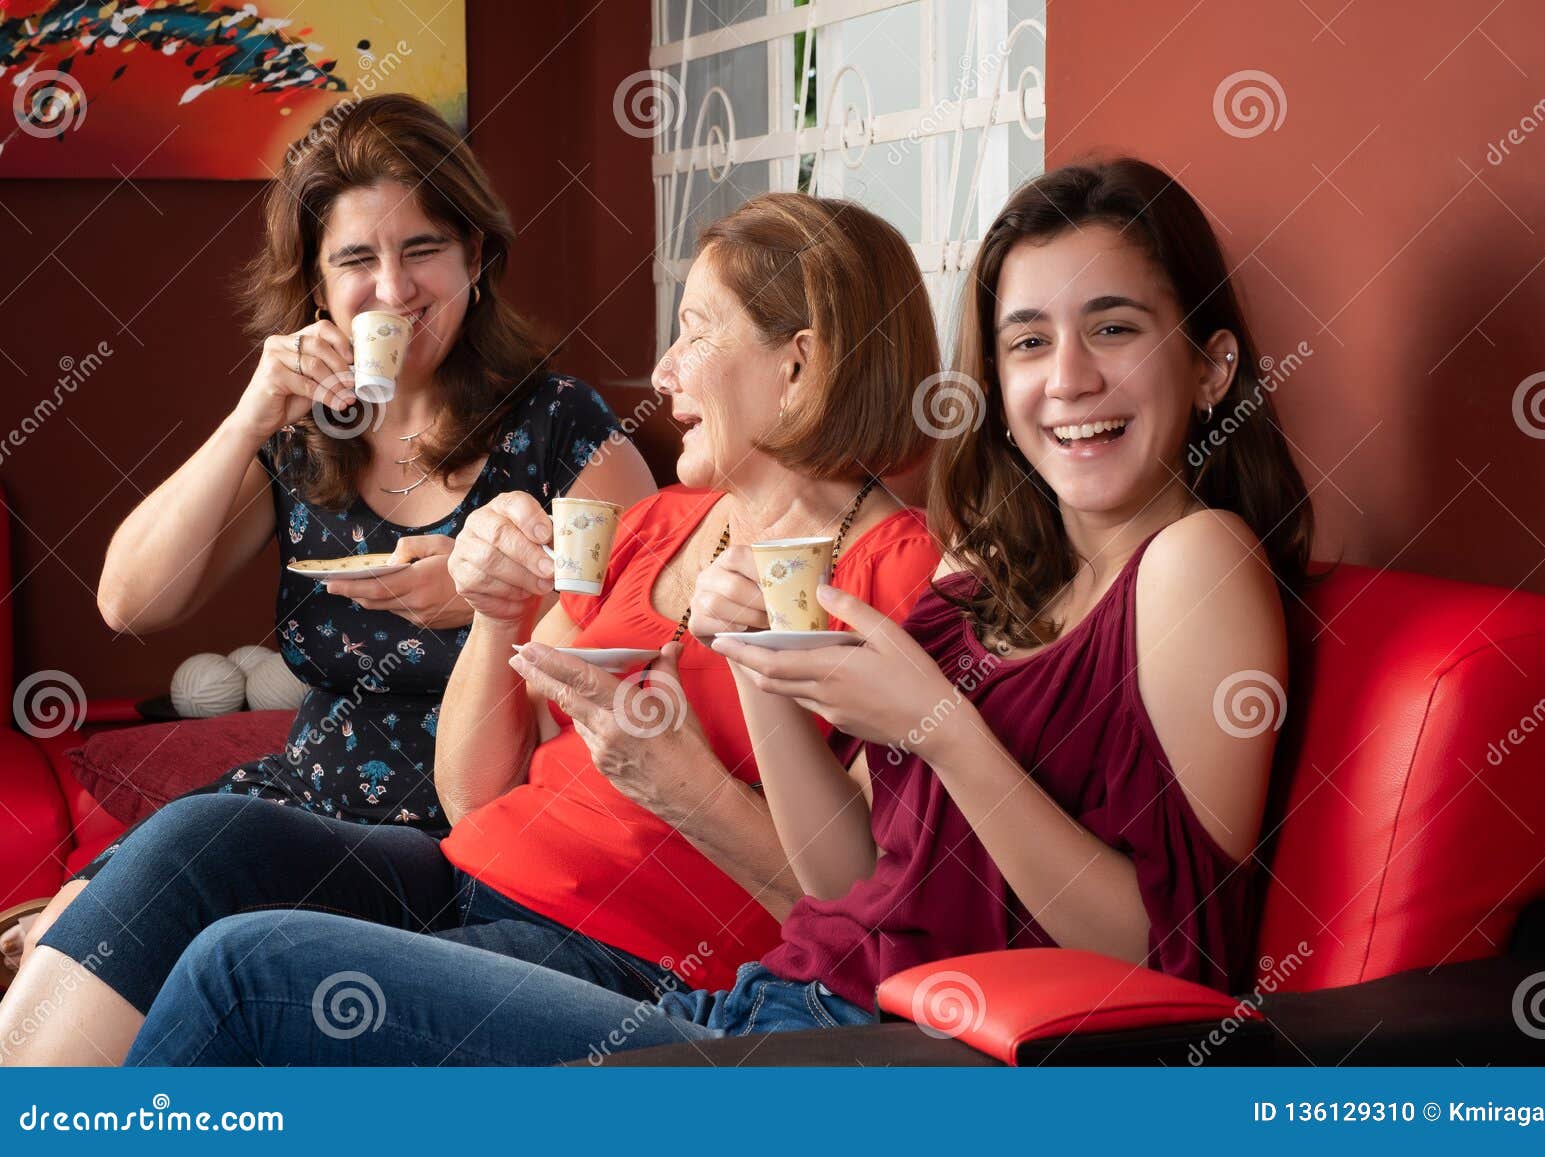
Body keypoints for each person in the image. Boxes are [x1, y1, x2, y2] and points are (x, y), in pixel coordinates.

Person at [112, 156, 1318, 1065]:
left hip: (863, 1051)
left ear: (1211, 365)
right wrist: (757, 664)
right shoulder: (995, 574)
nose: (1067, 379)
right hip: (776, 1007)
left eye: (1112, 329)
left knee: (246, 973)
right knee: (220, 913)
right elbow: (852, 884)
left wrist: (936, 722)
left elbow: (1158, 960)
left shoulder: (1195, 560)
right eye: (1026, 342)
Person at [0, 192, 945, 1065]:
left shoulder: (904, 579)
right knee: (197, 844)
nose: (662, 373)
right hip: (469, 874)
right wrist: (500, 614)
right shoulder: (659, 527)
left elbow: (871, 912)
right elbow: (474, 794)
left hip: (637, 963)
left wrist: (681, 785)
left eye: (694, 333)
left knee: (249, 967)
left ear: (801, 360)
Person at [0, 93, 654, 988]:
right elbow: (129, 602)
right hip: (301, 800)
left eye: (423, 248)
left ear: (476, 255)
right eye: (357, 259)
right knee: (67, 937)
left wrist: (497, 598)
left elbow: (644, 645)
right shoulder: (308, 433)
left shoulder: (558, 424)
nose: (394, 289)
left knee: (143, 931)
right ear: (316, 286)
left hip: (466, 837)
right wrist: (247, 419)